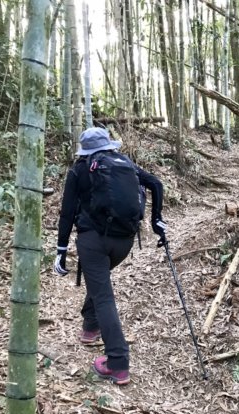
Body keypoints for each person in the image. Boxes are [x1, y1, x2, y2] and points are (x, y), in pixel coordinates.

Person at [54, 127, 166, 385]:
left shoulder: (80, 169)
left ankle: (117, 362)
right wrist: (156, 220)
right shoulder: (125, 163)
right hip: (124, 242)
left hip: (93, 242)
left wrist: (61, 251)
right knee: (99, 282)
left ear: (85, 150)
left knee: (103, 295)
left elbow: (67, 213)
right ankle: (90, 327)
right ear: (108, 146)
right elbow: (156, 184)